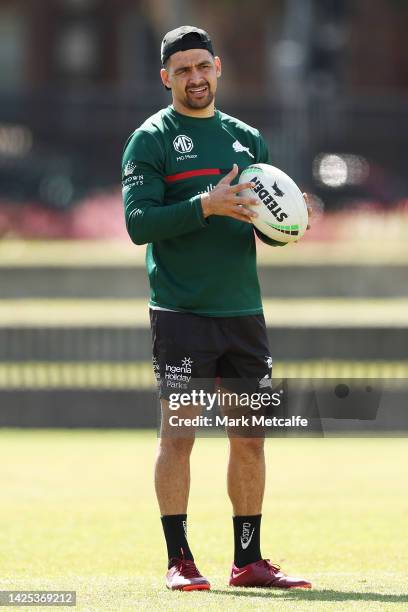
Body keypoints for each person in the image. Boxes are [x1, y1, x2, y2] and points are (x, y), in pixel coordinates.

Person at [122, 25, 312, 592]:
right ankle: (179, 561)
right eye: (182, 70)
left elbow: (267, 223)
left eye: (202, 66)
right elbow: (138, 224)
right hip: (180, 311)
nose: (195, 78)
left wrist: (290, 224)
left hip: (242, 312)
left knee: (249, 436)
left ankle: (248, 562)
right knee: (179, 434)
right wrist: (204, 205)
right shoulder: (151, 140)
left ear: (218, 67)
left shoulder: (247, 140)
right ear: (166, 78)